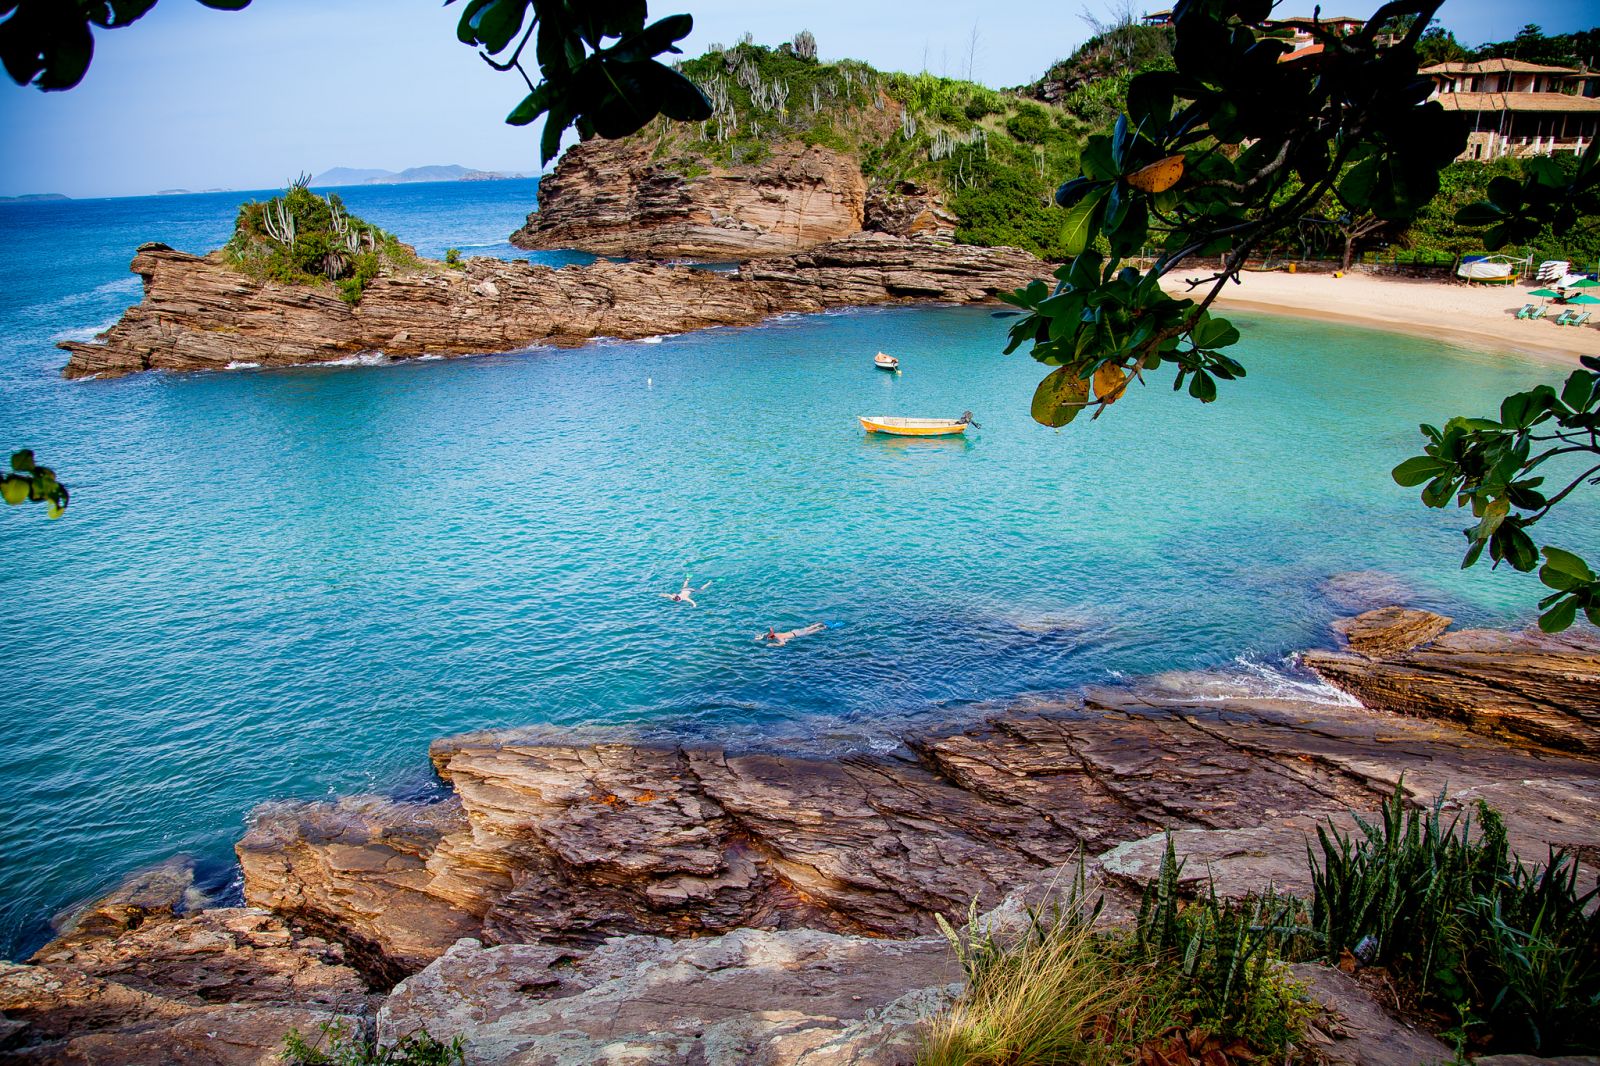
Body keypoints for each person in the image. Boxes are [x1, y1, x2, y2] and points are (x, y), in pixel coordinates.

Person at [758, 622, 828, 646]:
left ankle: (824, 627)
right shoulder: (776, 634)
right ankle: (821, 623)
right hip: (795, 631)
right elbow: (770, 631)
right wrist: (762, 636)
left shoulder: (779, 638)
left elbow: (783, 644)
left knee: (811, 631)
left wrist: (773, 644)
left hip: (797, 635)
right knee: (810, 627)